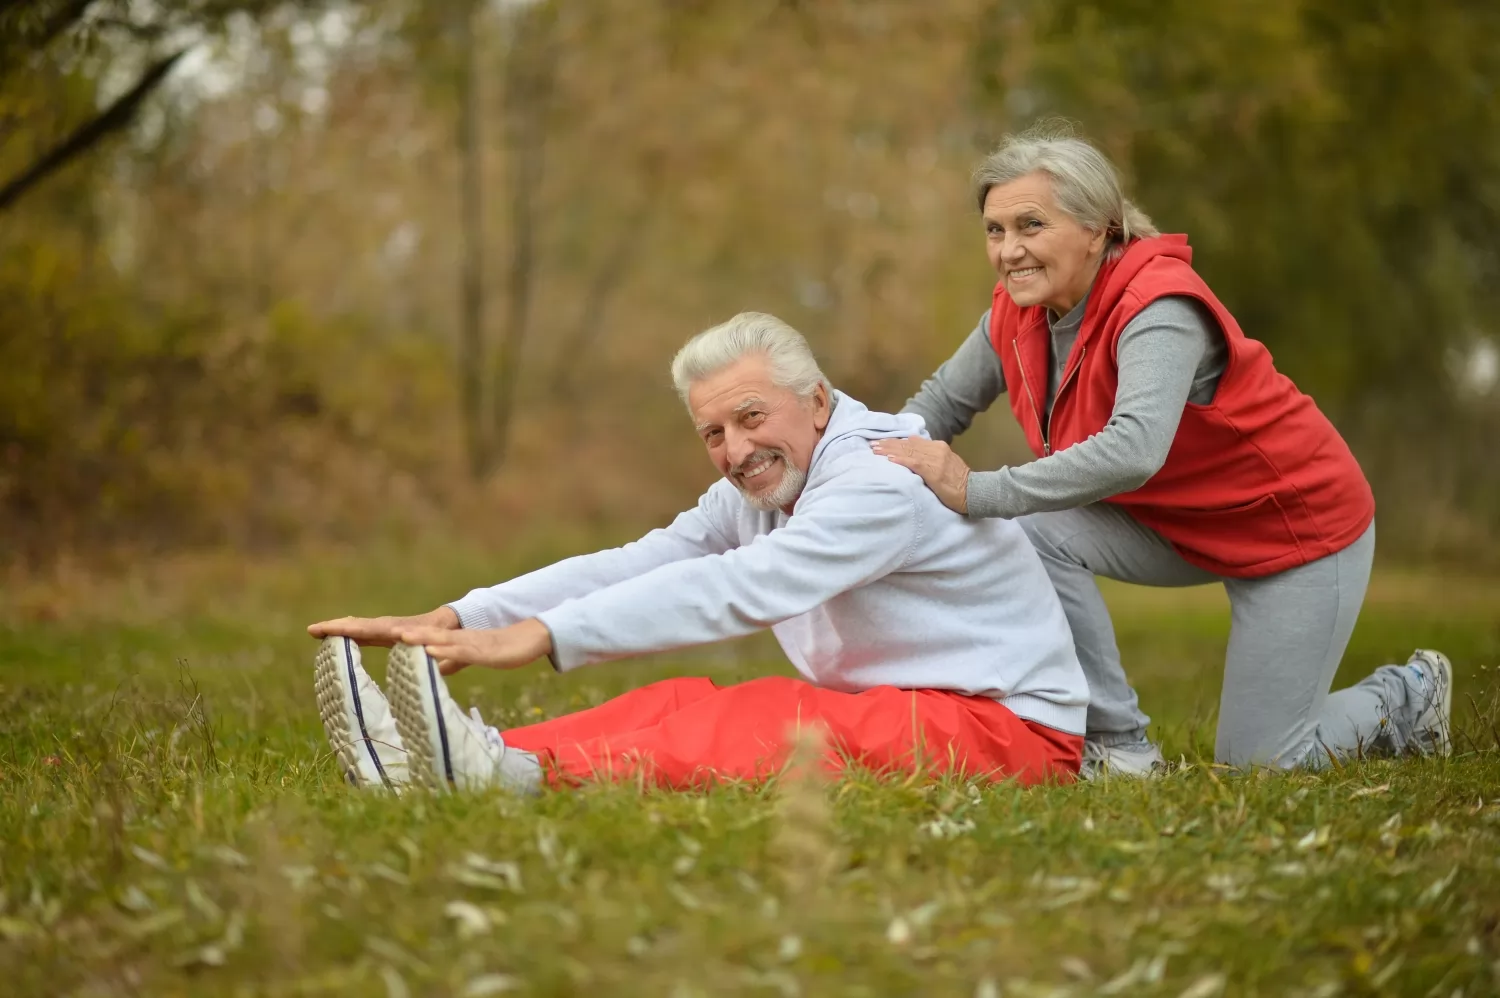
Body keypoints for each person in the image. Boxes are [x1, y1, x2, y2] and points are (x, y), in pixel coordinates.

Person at [872, 123, 1452, 777]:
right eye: (994, 230)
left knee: (1263, 765)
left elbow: (1134, 449)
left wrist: (977, 490)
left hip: (1296, 530)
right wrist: (859, 464)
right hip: (1172, 522)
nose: (1009, 251)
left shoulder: (1158, 307)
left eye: (1030, 225)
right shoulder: (1014, 311)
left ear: (1100, 228)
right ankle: (1119, 745)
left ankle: (1407, 696)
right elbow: (939, 404)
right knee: (1029, 528)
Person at [308, 312, 1088, 793]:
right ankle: (450, 756)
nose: (736, 449)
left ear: (816, 399)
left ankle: (516, 779)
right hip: (909, 708)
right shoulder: (767, 479)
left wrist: (540, 638)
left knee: (769, 712)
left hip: (1006, 731)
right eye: (714, 433)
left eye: (752, 417)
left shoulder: (879, 477)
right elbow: (641, 562)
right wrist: (462, 614)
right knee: (678, 699)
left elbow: (744, 587)